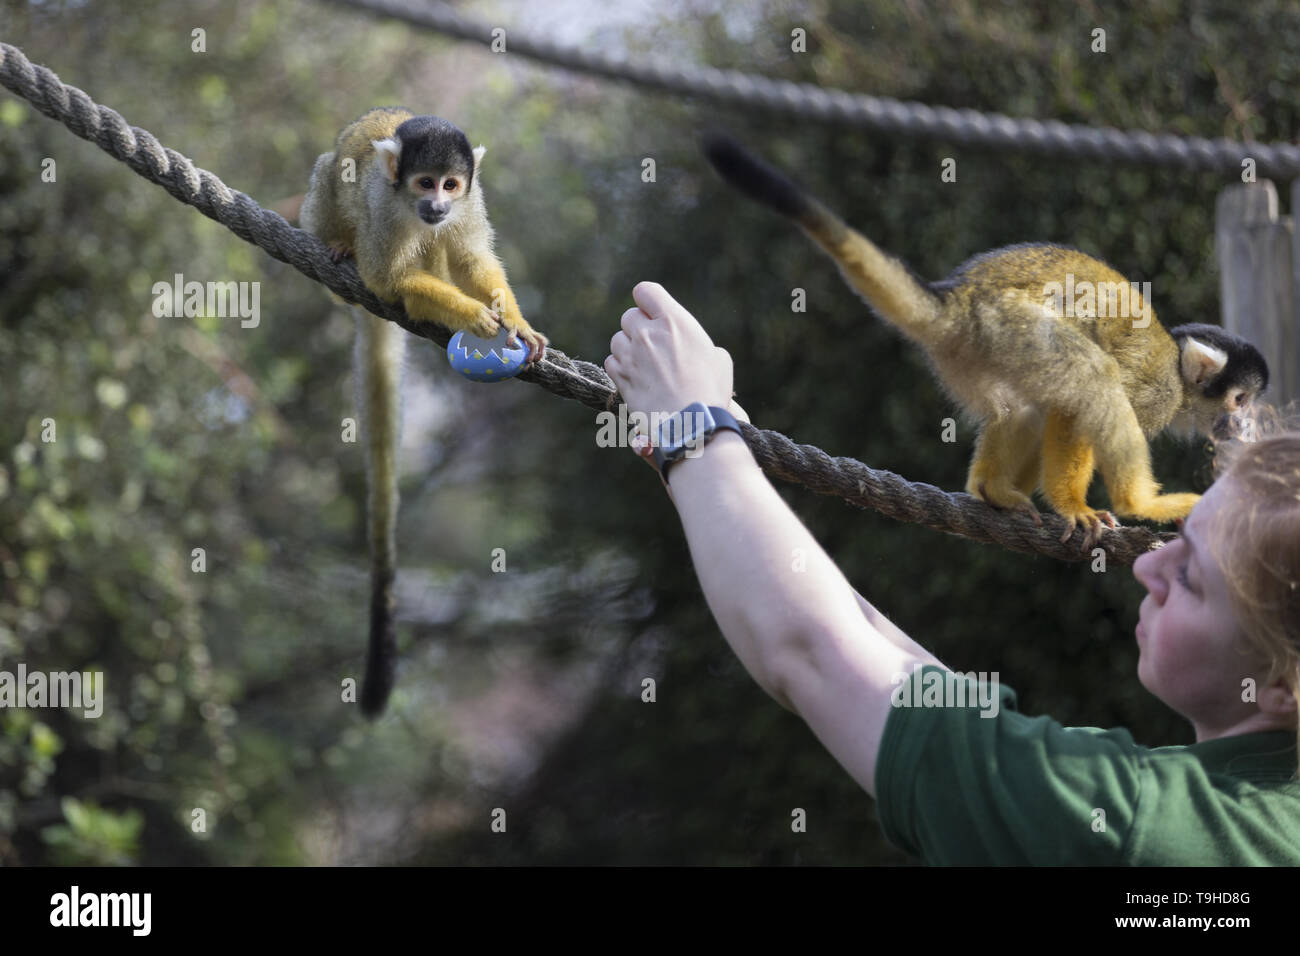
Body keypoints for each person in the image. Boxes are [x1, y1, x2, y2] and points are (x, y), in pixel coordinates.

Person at [604, 281, 1300, 865]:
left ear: (1280, 684)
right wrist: (719, 470)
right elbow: (908, 688)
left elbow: (811, 653)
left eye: (1191, 578)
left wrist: (688, 429)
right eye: (1175, 541)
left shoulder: (1145, 833)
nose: (1149, 562)